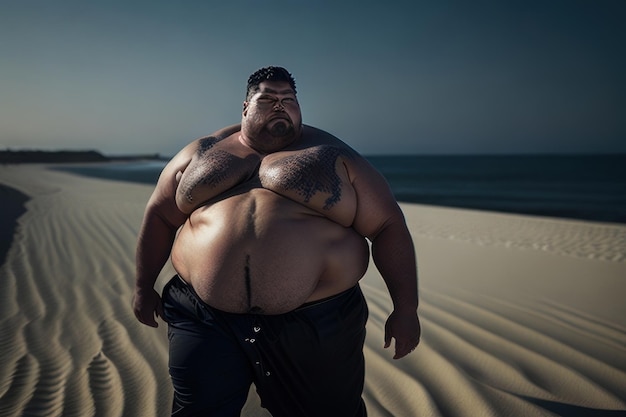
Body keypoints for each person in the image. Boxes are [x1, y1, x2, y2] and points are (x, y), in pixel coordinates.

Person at [133, 66, 420, 417]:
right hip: (204, 318)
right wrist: (143, 285)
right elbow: (160, 216)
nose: (280, 106)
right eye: (268, 100)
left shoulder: (333, 157)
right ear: (245, 108)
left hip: (316, 322)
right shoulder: (203, 152)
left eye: (289, 100)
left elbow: (389, 226)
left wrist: (405, 308)